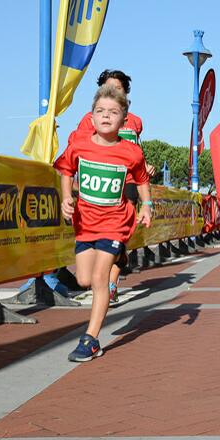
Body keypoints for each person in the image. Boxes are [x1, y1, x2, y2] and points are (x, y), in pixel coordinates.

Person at [55, 84, 152, 361]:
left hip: (114, 222)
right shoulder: (79, 145)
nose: (105, 116)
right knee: (84, 279)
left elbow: (142, 179)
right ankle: (120, 255)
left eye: (113, 112)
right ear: (91, 117)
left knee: (100, 279)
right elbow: (65, 170)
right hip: (85, 223)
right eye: (100, 111)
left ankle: (91, 339)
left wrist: (147, 206)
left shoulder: (131, 152)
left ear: (124, 119)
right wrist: (66, 198)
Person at [68, 70, 155, 303]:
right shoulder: (90, 119)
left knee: (117, 233)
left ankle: (110, 283)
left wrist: (145, 166)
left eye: (118, 88)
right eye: (108, 87)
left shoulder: (134, 121)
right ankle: (116, 257)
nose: (113, 91)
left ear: (125, 93)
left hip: (126, 183)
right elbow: (79, 147)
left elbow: (134, 150)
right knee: (89, 271)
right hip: (99, 186)